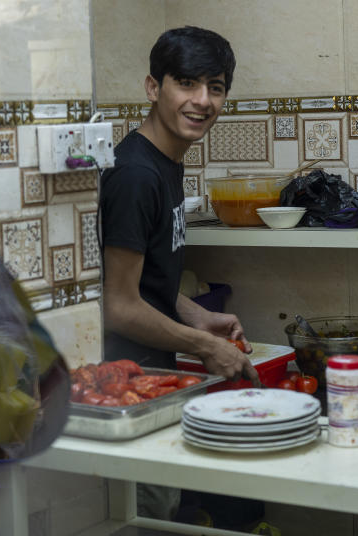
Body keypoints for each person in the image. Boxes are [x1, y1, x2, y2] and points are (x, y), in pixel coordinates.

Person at [99, 27, 260, 525]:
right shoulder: (135, 176)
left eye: (215, 86)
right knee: (148, 516)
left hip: (151, 380)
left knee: (165, 509)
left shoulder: (165, 163)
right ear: (153, 88)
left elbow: (149, 285)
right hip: (125, 388)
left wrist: (198, 318)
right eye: (186, 83)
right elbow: (118, 305)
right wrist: (204, 346)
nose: (202, 100)